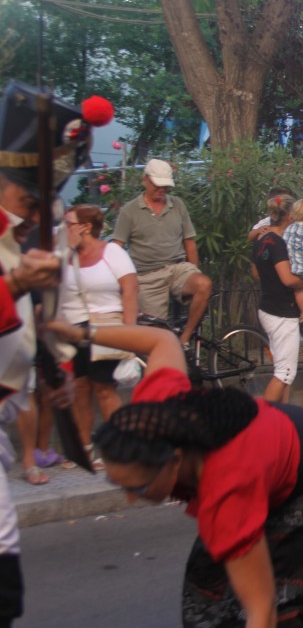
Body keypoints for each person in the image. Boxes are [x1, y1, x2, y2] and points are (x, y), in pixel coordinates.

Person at [44, 319, 303, 627]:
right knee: (205, 588)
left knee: (291, 607)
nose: (131, 499)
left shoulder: (226, 492)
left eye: (139, 488)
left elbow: (262, 609)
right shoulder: (159, 407)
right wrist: (81, 333)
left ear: (174, 461)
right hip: (274, 460)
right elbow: (161, 340)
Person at [0, 80, 111, 628]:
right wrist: (16, 285)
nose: (36, 211)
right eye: (28, 198)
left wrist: (48, 368)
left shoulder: (26, 234)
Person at [61, 204, 138, 468]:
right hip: (75, 327)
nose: (64, 229)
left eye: (69, 224)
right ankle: (84, 448)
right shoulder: (66, 256)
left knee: (104, 388)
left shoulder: (112, 252)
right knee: (80, 389)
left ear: (85, 227)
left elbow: (129, 290)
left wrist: (129, 333)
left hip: (108, 327)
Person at [111, 159, 212, 345]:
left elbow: (189, 242)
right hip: (147, 275)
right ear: (146, 181)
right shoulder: (130, 211)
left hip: (177, 268)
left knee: (203, 284)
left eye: (165, 186)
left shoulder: (177, 205)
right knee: (156, 332)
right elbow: (116, 246)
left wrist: (193, 269)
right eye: (158, 185)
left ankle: (186, 338)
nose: (162, 190)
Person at [251, 195, 303, 402]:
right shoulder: (279, 243)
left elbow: (256, 274)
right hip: (282, 312)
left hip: (267, 306)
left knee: (281, 368)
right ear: (290, 216)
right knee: (285, 372)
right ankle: (264, 421)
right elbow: (289, 280)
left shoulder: (261, 240)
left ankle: (281, 415)